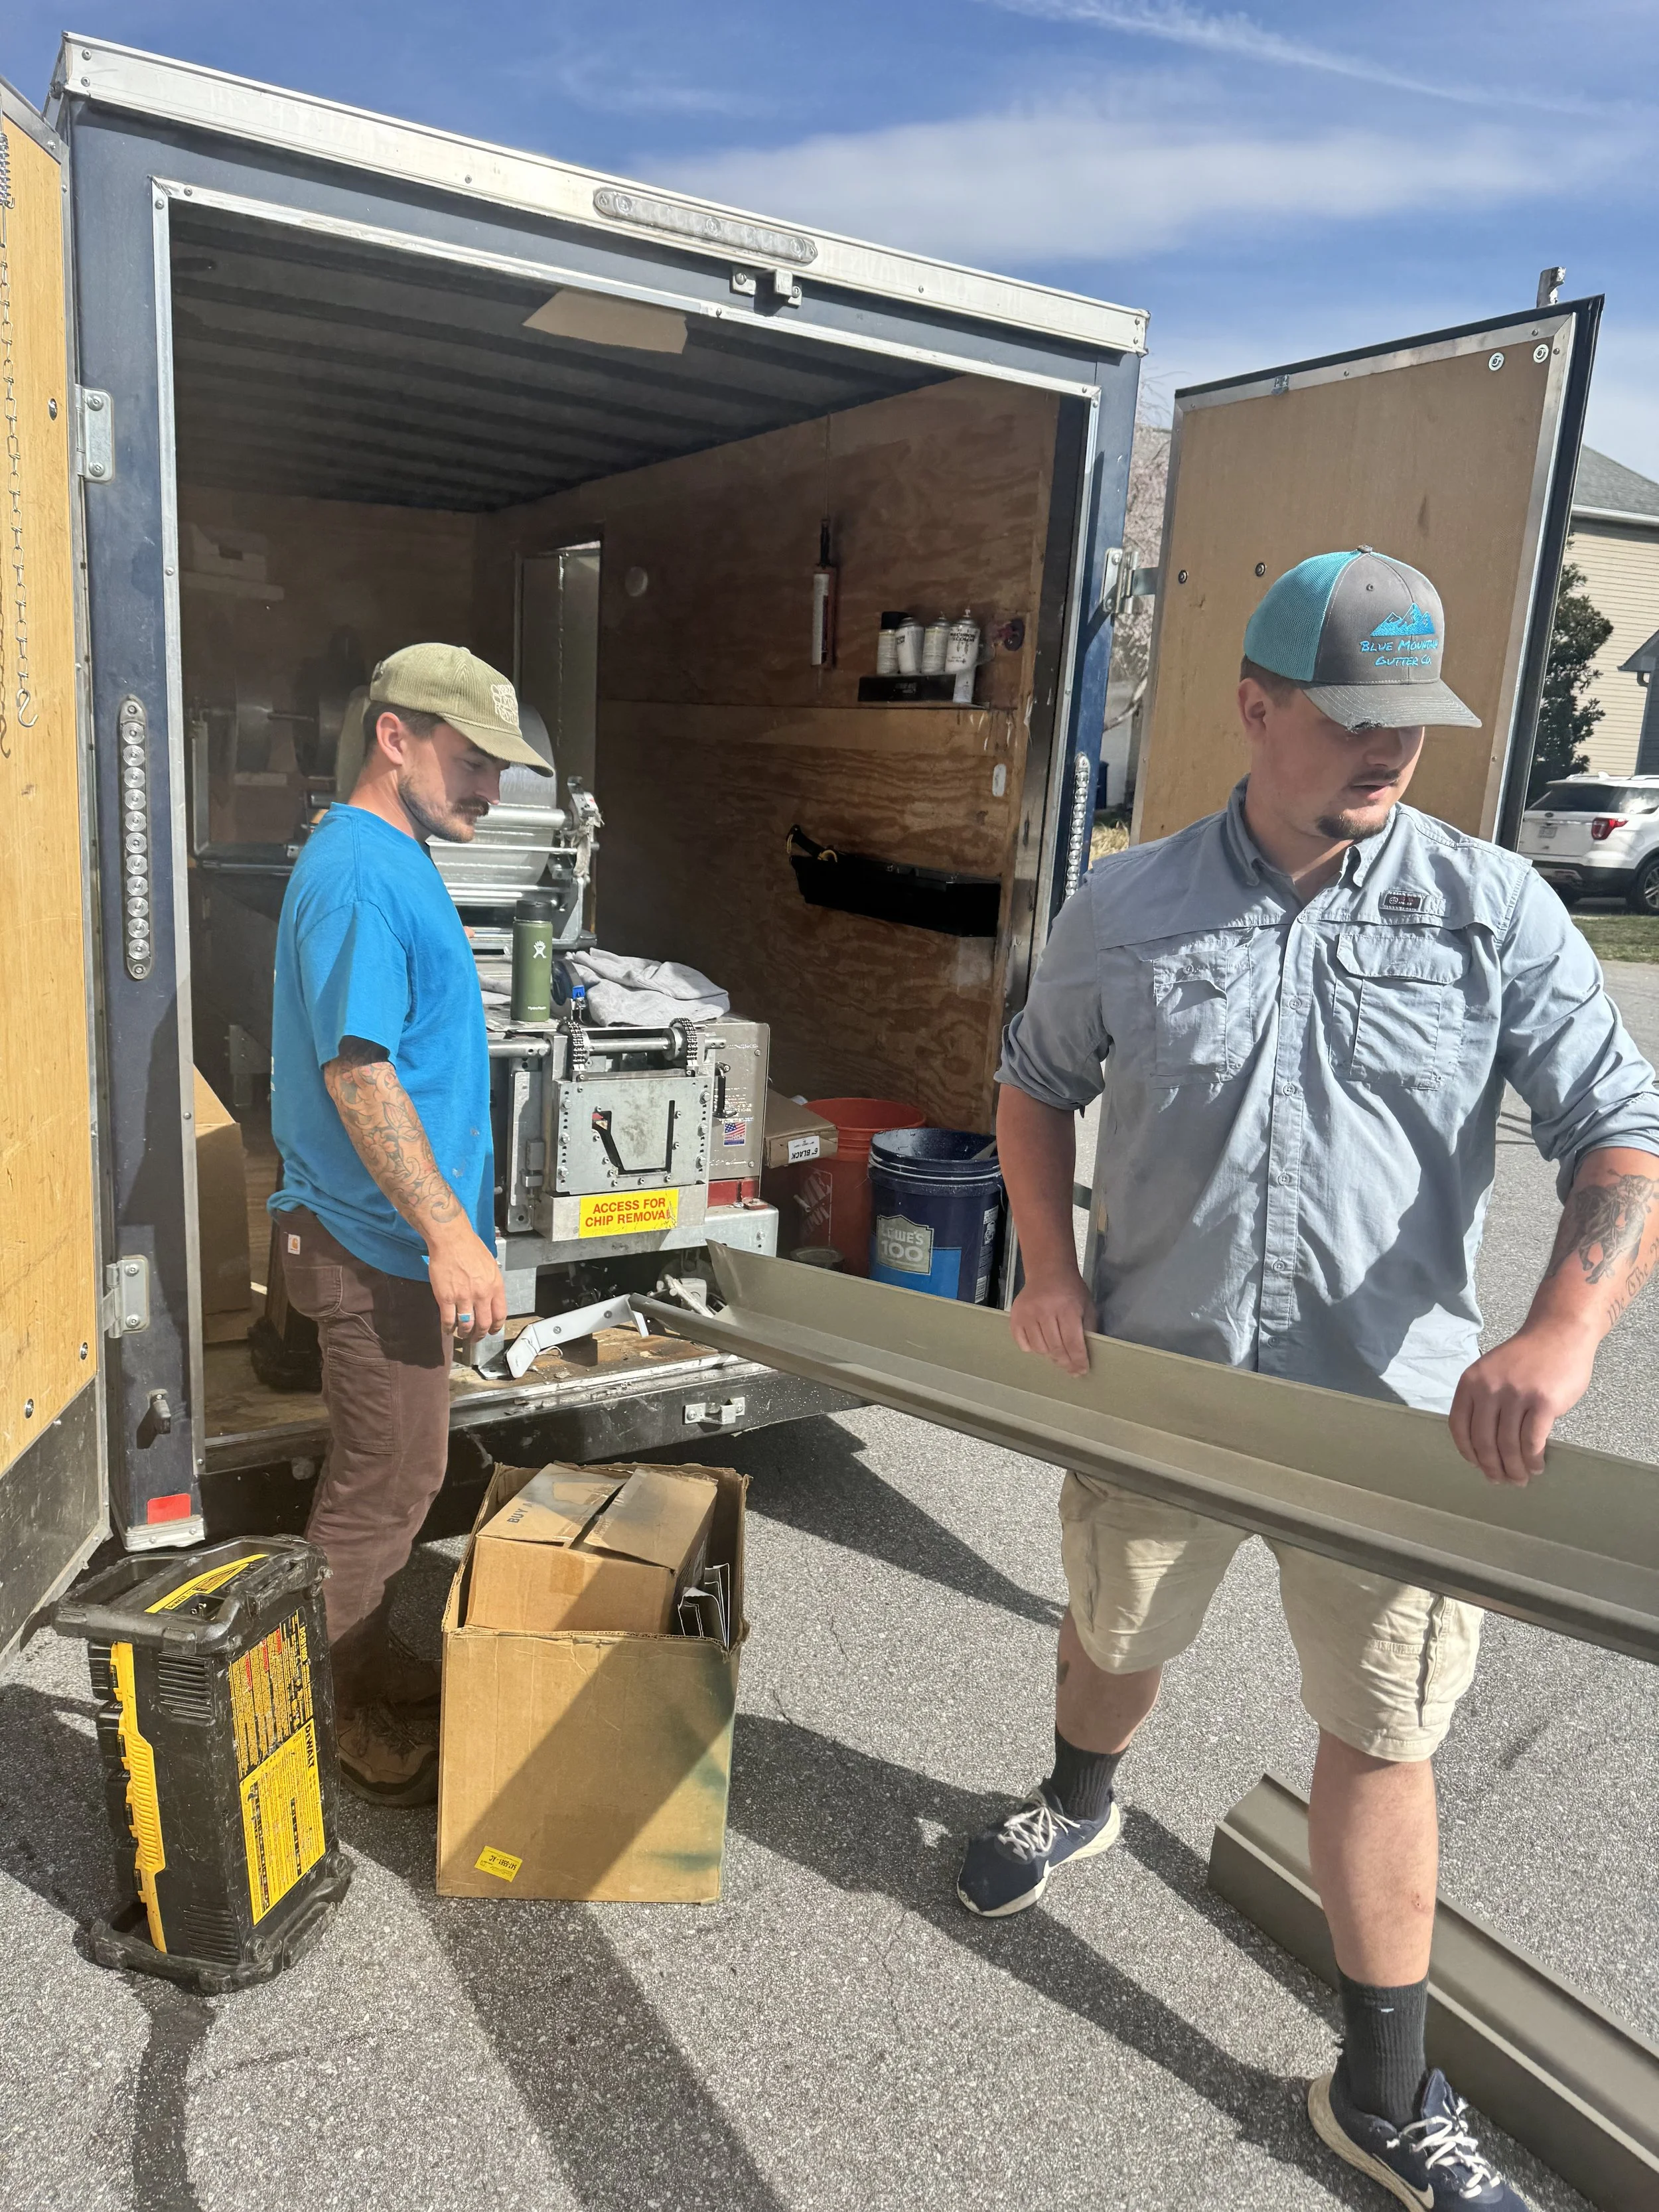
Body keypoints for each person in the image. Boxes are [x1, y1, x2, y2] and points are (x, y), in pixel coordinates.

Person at [962, 549, 1659, 2209]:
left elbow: (1620, 1139)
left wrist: (1558, 1332)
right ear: (1254, 707)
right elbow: (1031, 1085)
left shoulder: (1489, 910)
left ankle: (1380, 2087)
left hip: (1387, 1430)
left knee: (1380, 1731)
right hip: (1164, 1393)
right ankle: (1078, 1800)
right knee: (1114, 1627)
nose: (1387, 750)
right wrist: (1047, 1269)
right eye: (1350, 715)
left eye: (1409, 721)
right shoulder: (1125, 905)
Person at [269, 642, 551, 1805]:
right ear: (396, 737)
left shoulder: (396, 857)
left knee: (403, 1471)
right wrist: (447, 1232)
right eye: (471, 758)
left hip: (387, 1244)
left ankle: (366, 1664)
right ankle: (322, 1719)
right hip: (371, 1247)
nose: (492, 787)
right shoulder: (358, 871)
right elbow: (360, 1074)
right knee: (384, 1487)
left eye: (501, 766)